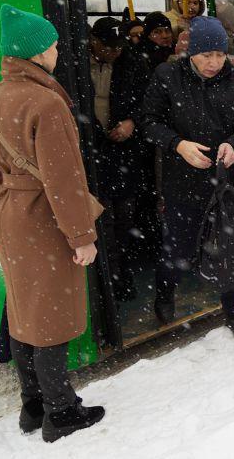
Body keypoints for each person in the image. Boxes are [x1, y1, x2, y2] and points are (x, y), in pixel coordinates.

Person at [0, 5, 106, 441]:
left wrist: (7, 206)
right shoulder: (47, 102)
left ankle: (32, 406)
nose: (55, 51)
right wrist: (82, 236)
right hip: (45, 218)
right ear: (35, 53)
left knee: (24, 310)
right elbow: (64, 181)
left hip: (9, 212)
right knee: (52, 316)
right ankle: (61, 412)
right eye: (50, 45)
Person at [141, 15, 234, 341]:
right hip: (182, 184)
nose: (213, 62)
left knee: (231, 249)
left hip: (226, 186)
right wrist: (177, 144)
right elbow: (148, 122)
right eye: (206, 55)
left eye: (220, 55)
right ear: (191, 52)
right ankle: (164, 294)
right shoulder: (167, 77)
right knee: (177, 249)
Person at [88, 17, 151, 301]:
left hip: (124, 153)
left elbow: (149, 101)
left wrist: (132, 123)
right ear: (94, 43)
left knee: (124, 220)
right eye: (108, 47)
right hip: (91, 152)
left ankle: (122, 277)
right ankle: (103, 281)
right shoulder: (75, 63)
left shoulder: (134, 62)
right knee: (99, 221)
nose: (114, 53)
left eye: (118, 47)